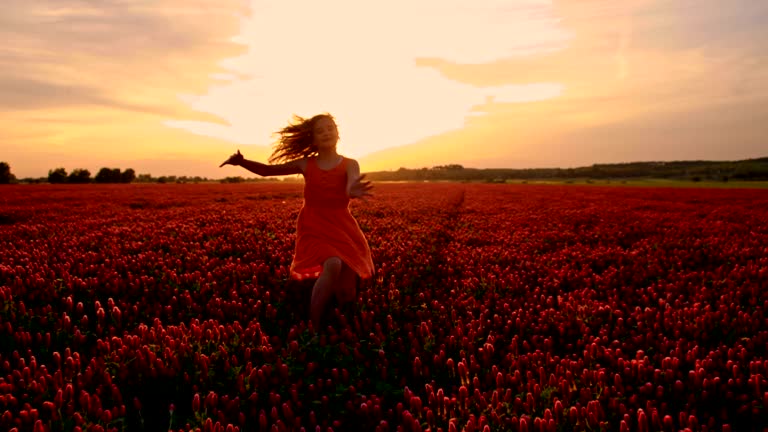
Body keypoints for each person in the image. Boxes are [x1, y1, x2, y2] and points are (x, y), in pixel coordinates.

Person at [220, 113, 374, 329]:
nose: (326, 133)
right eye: (320, 131)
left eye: (330, 128)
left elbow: (351, 185)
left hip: (342, 226)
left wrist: (354, 189)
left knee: (347, 287)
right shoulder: (306, 163)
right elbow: (267, 171)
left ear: (338, 133)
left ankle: (343, 320)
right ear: (313, 139)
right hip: (314, 224)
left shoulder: (350, 164)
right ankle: (315, 325)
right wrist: (242, 162)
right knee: (333, 264)